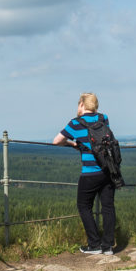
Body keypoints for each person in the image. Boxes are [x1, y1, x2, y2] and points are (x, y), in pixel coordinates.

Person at [52, 92, 117, 256]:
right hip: (108, 170)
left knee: (84, 206)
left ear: (81, 104)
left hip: (90, 173)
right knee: (108, 207)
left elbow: (57, 141)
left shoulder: (75, 123)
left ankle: (94, 244)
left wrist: (73, 143)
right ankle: (108, 246)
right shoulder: (104, 118)